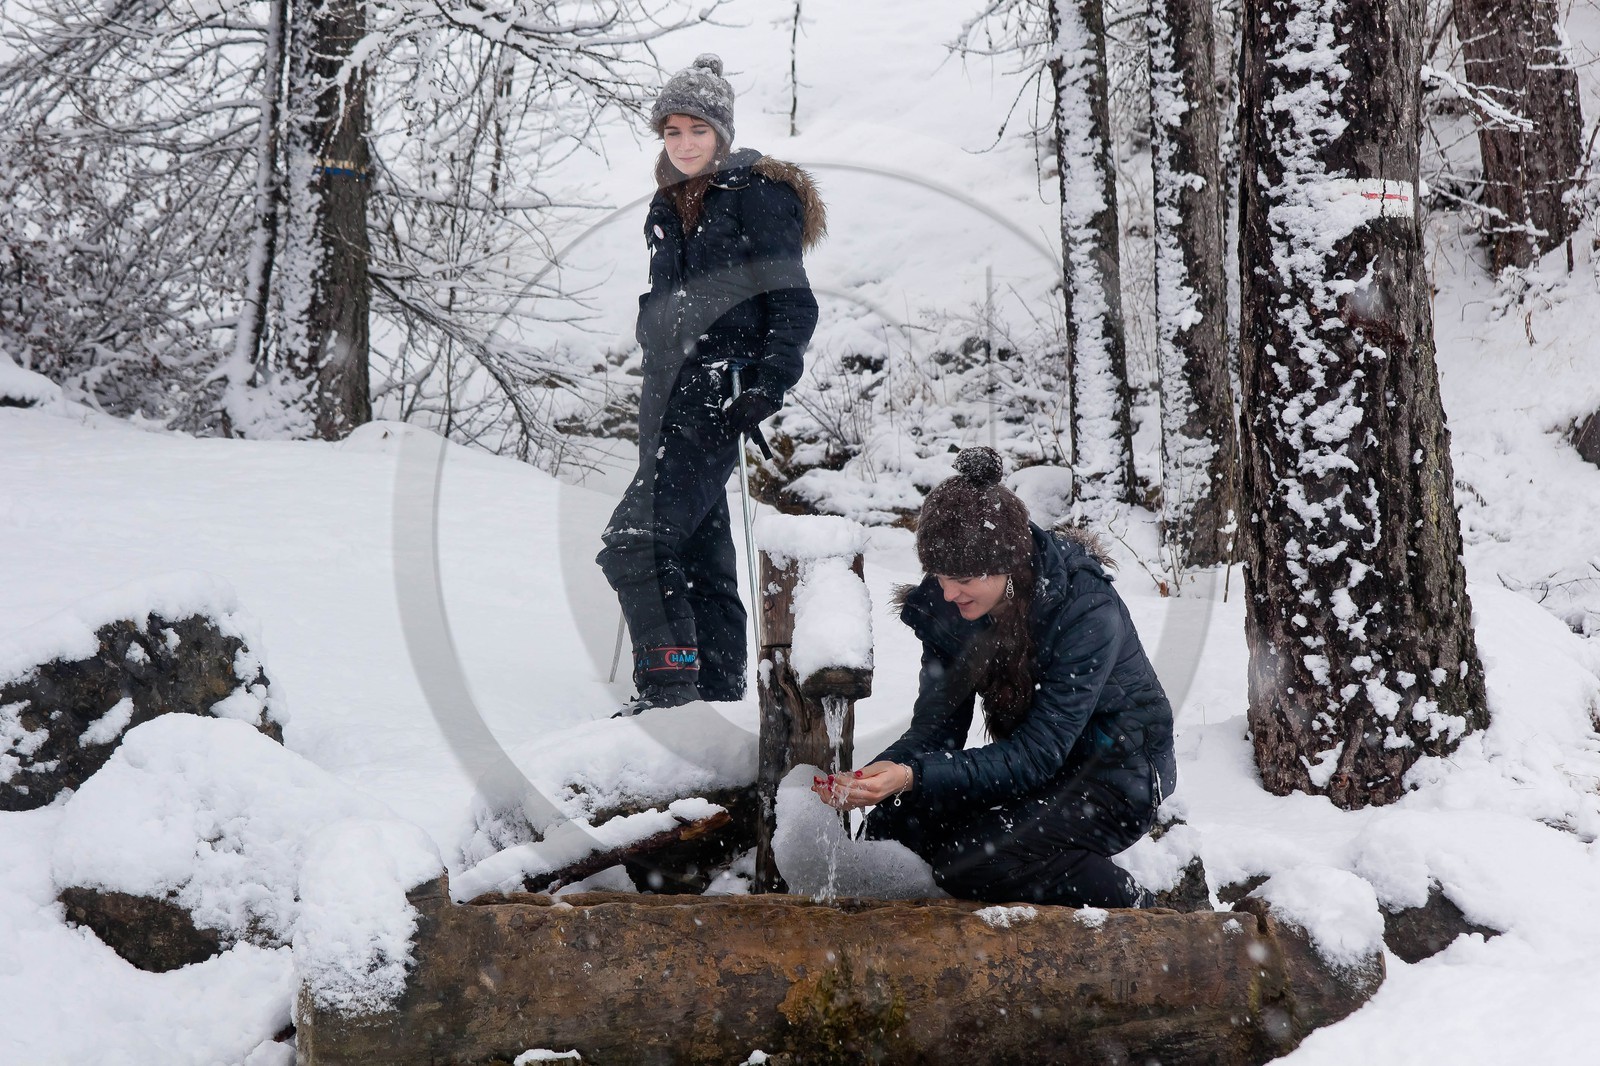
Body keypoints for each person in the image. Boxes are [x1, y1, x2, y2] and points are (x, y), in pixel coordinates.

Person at [811, 447, 1177, 908]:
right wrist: (880, 775)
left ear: (1006, 566)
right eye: (939, 574)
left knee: (969, 862)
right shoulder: (948, 609)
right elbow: (936, 730)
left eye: (962, 577)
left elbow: (1040, 752)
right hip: (1031, 771)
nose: (948, 591)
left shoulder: (1086, 610)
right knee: (894, 821)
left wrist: (913, 775)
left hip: (1114, 779)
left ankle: (1141, 909)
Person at [598, 54, 825, 717]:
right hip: (663, 391)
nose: (685, 143)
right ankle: (718, 691)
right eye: (673, 131)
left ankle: (669, 690)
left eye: (697, 130)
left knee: (633, 544)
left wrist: (767, 382)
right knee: (697, 550)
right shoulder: (666, 204)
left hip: (716, 391)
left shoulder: (757, 193)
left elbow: (792, 300)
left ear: (721, 133)